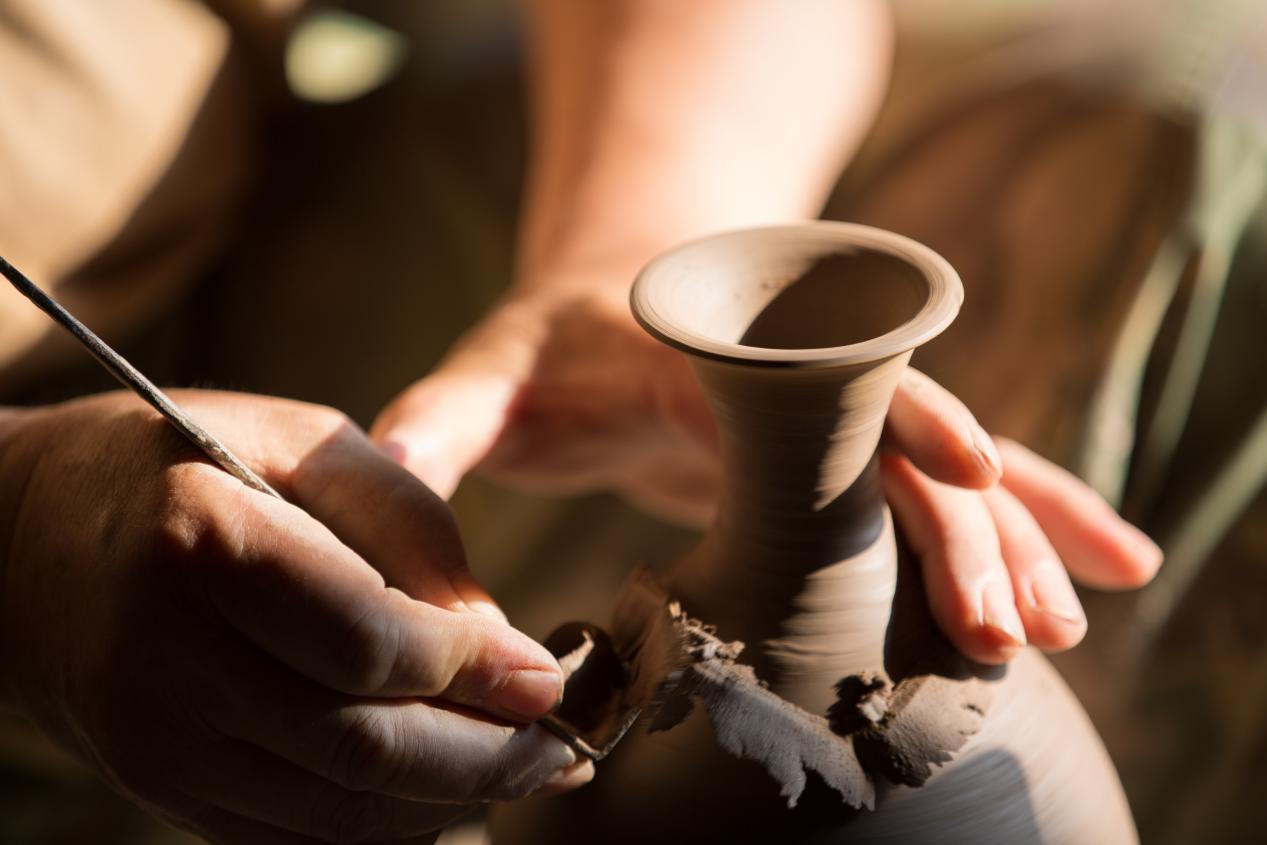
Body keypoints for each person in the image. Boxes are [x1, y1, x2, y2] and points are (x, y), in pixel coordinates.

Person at [0, 2, 1172, 843]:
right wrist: (19, 538)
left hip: (247, 238)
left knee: (1168, 129)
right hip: (54, 492)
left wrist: (634, 252)